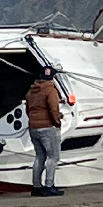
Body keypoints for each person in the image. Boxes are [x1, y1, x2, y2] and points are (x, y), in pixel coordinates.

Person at [25, 67, 64, 197]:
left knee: (39, 156)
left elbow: (28, 109)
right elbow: (53, 108)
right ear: (52, 77)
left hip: (33, 127)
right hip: (47, 126)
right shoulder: (50, 90)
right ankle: (49, 185)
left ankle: (36, 186)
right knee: (53, 157)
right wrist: (57, 121)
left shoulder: (31, 91)